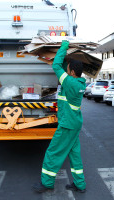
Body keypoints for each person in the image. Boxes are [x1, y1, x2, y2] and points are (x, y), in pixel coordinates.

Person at [33, 40, 87, 193]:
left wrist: (63, 47)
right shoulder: (79, 83)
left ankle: (47, 182)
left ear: (71, 73)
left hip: (67, 125)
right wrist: (66, 58)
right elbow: (62, 67)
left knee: (53, 152)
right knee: (74, 154)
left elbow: (56, 66)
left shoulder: (70, 83)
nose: (66, 70)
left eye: (68, 68)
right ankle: (79, 184)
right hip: (74, 123)